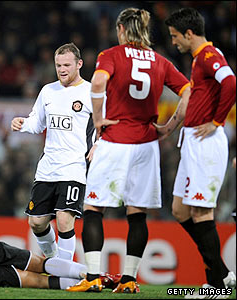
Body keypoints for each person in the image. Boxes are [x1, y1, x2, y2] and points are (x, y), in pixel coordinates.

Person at [67, 8, 191, 294]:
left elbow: (97, 82)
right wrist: (169, 127)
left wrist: (98, 119)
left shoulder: (111, 55)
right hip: (147, 144)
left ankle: (95, 277)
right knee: (137, 214)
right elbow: (188, 92)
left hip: (115, 141)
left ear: (121, 29)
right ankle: (129, 279)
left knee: (94, 208)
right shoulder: (160, 61)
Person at [158, 7, 236, 294]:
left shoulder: (209, 56)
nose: (174, 41)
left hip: (206, 142)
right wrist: (171, 127)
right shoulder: (198, 59)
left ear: (189, 34)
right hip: (191, 140)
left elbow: (231, 82)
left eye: (175, 36)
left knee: (202, 212)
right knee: (179, 210)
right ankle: (222, 271)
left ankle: (215, 284)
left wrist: (217, 120)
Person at [11, 43, 94, 262]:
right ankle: (55, 260)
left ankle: (64, 272)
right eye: (58, 65)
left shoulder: (92, 92)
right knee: (36, 222)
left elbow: (106, 125)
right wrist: (23, 123)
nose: (62, 69)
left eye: (67, 64)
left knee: (65, 220)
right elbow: (37, 123)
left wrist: (99, 144)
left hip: (75, 166)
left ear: (79, 64)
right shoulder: (48, 91)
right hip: (48, 167)